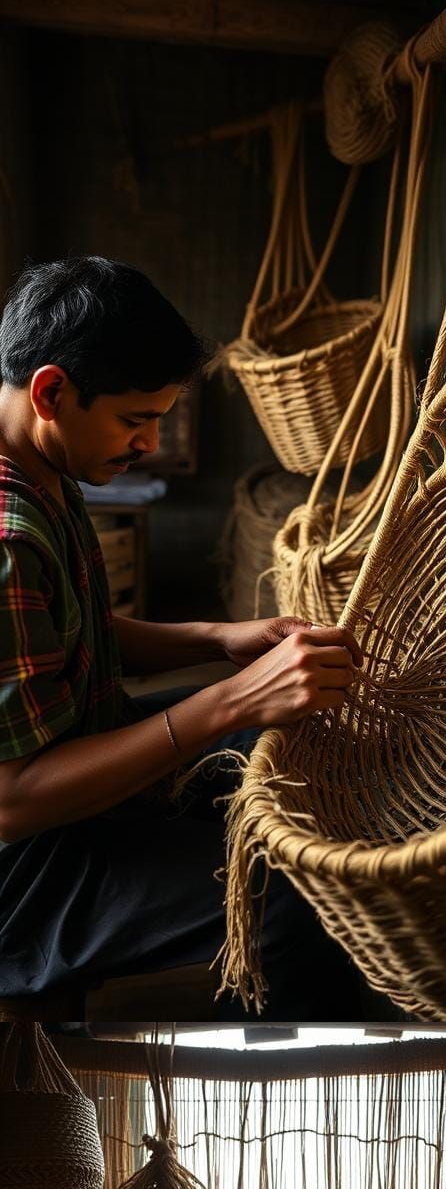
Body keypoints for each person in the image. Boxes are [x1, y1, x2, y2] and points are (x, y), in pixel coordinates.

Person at [0, 256, 365, 1015]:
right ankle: (258, 1054)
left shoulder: (42, 460)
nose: (150, 442)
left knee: (271, 743)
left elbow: (74, 629)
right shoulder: (5, 536)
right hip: (22, 866)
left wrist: (217, 639)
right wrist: (232, 698)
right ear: (52, 392)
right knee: (300, 904)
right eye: (136, 419)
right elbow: (15, 799)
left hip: (75, 751)